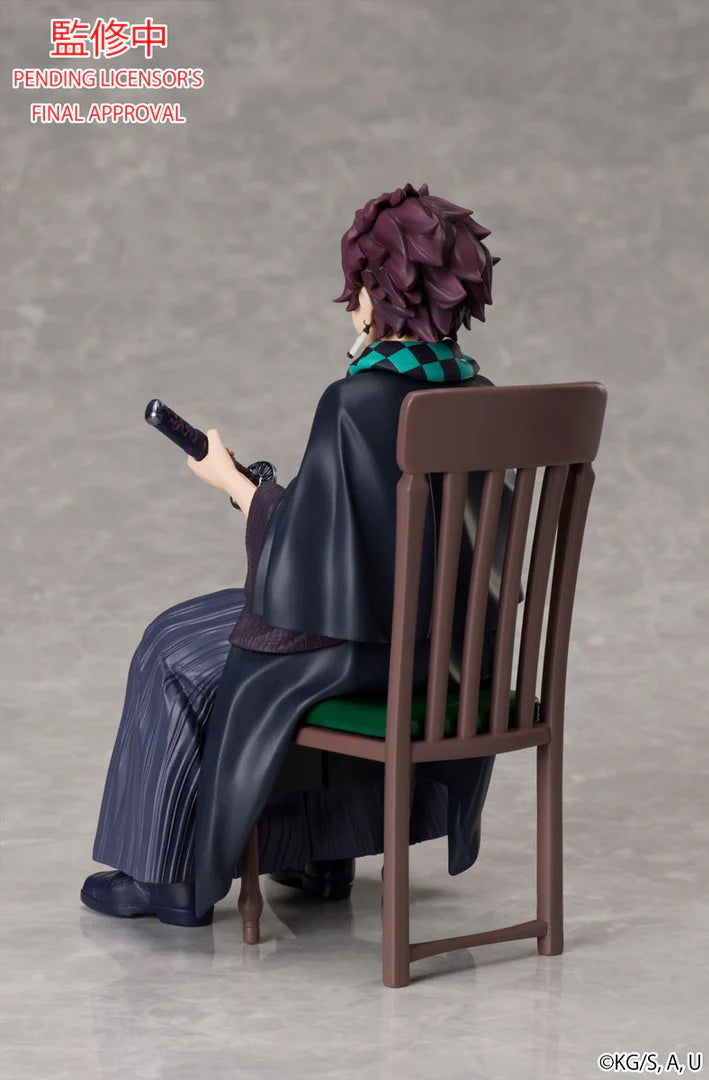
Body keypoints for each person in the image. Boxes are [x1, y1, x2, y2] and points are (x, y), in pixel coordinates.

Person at [81, 182, 513, 927]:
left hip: (367, 655)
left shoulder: (357, 402)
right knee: (275, 636)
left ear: (378, 296)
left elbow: (305, 576)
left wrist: (234, 484)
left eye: (357, 291)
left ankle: (170, 879)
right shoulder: (480, 397)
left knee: (174, 646)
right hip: (450, 653)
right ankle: (318, 851)